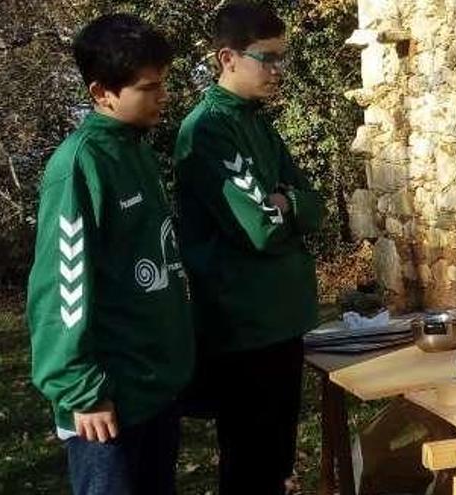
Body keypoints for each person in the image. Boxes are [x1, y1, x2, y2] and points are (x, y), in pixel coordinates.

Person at [26, 13, 193, 495]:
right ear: (102, 93)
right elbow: (62, 287)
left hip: (156, 387)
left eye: (162, 82)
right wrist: (81, 390)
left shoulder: (135, 149)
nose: (162, 95)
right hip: (107, 405)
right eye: (148, 87)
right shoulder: (80, 166)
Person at [174, 2, 322, 493]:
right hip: (244, 327)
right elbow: (260, 227)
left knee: (275, 465)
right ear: (227, 58)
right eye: (268, 57)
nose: (279, 70)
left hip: (283, 321)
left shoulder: (258, 121)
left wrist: (290, 203)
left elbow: (314, 205)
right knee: (250, 469)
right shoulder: (210, 128)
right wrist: (284, 207)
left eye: (283, 57)